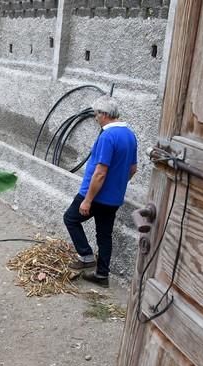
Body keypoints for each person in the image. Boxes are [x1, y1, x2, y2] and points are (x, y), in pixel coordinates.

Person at [63, 95, 137, 287]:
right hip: (113, 197)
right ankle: (102, 275)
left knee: (70, 218)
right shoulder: (130, 135)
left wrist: (87, 200)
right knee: (104, 235)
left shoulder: (107, 136)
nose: (95, 118)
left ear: (104, 114)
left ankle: (86, 256)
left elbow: (100, 173)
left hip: (96, 194)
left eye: (96, 114)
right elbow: (132, 169)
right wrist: (117, 184)